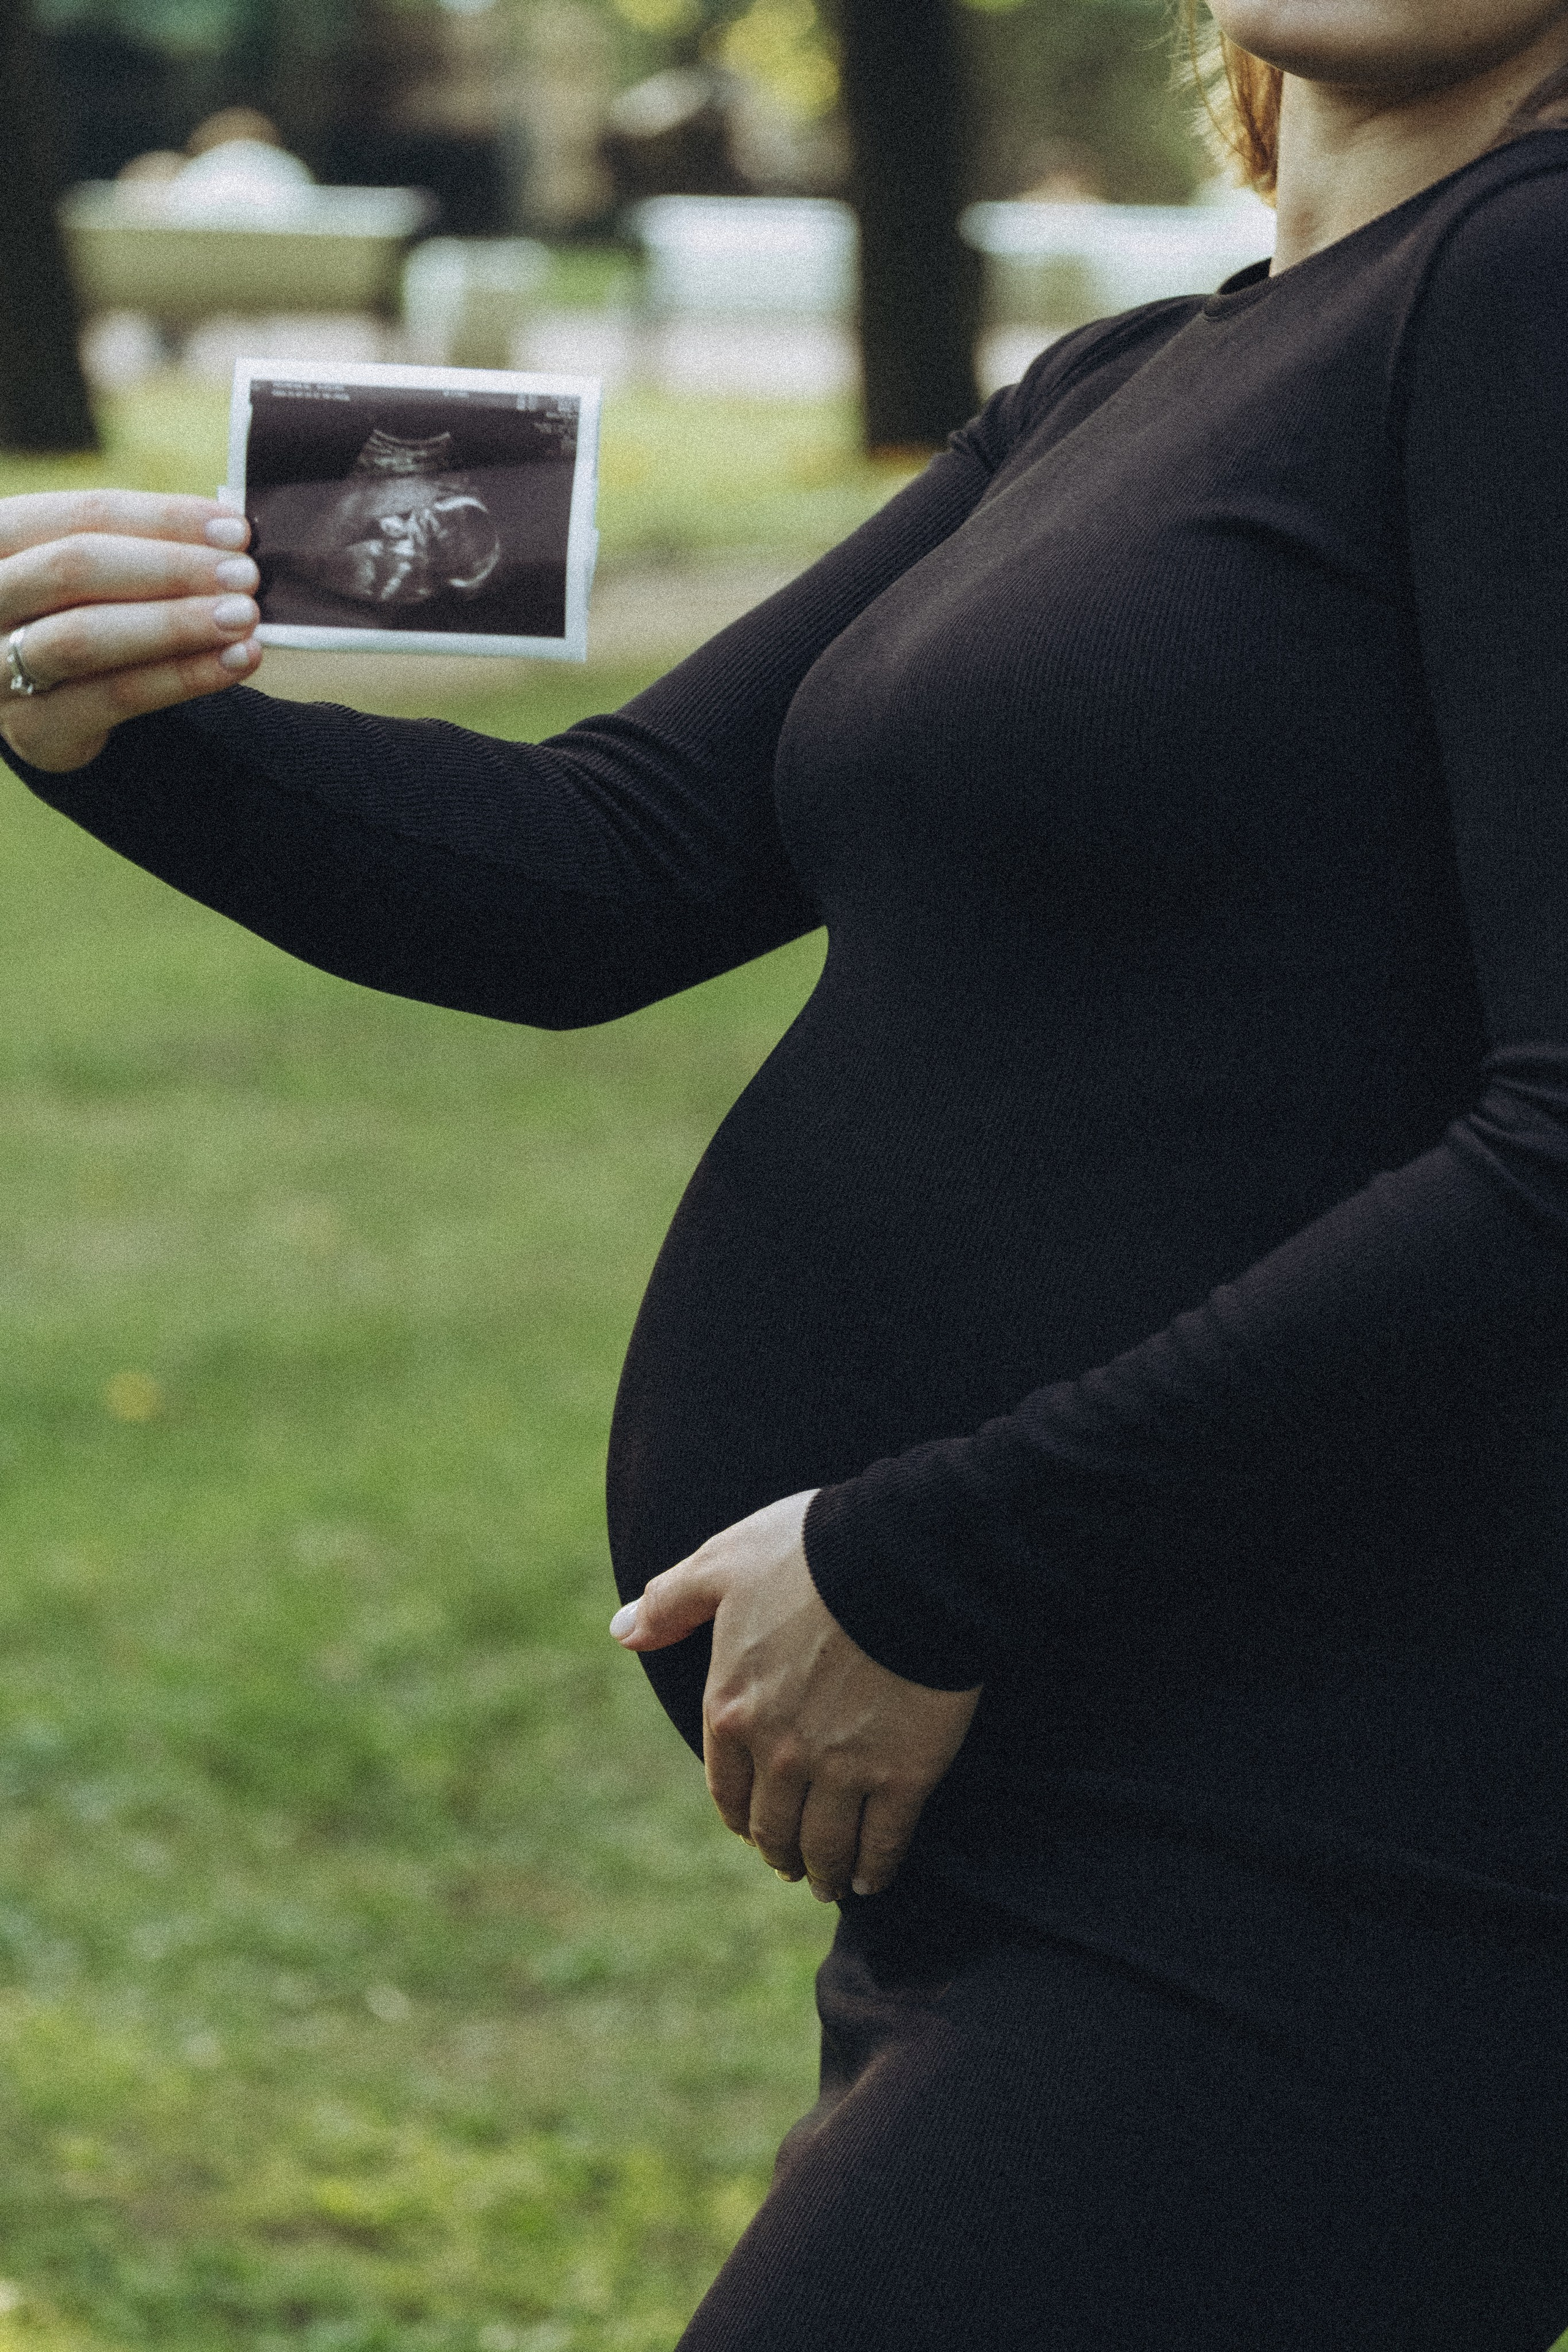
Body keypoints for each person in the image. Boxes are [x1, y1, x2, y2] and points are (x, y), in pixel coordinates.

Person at [6, 0, 1568, 2338]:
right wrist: (119, 731)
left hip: (1330, 1858)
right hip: (1068, 1835)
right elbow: (605, 865)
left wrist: (939, 1563)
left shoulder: (1533, 291)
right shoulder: (1137, 376)